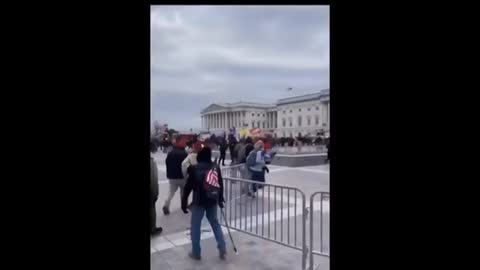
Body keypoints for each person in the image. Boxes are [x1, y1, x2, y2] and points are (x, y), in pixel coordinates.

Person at [181, 146, 226, 260]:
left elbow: (188, 187)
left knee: (195, 226)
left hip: (199, 201)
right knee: (215, 223)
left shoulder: (195, 168)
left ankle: (196, 252)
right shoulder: (215, 167)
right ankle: (222, 247)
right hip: (212, 200)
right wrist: (220, 199)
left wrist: (184, 201)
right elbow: (220, 184)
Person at [162, 138, 188, 215]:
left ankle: (166, 205)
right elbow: (186, 165)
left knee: (171, 192)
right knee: (183, 192)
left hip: (172, 177)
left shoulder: (170, 153)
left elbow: (167, 163)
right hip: (182, 177)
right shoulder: (185, 154)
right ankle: (183, 205)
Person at [150, 141, 163, 236]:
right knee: (151, 209)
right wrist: (155, 194)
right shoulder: (151, 163)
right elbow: (153, 181)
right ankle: (152, 229)